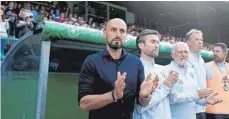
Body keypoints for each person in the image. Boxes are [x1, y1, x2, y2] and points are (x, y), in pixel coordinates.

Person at [78, 18, 158, 119]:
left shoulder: (136, 63)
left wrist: (144, 96)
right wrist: (113, 95)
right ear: (105, 33)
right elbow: (84, 104)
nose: (118, 34)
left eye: (122, 31)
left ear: (125, 35)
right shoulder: (92, 61)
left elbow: (142, 103)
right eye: (113, 30)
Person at [167, 42, 222, 119]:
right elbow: (172, 98)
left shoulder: (192, 71)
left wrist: (205, 100)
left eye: (186, 52)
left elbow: (196, 95)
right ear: (173, 55)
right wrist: (196, 95)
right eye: (180, 52)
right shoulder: (167, 71)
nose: (183, 54)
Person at [133, 29, 178, 119]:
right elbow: (140, 108)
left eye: (158, 42)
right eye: (153, 42)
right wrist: (165, 87)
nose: (157, 45)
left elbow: (173, 100)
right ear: (141, 45)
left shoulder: (164, 69)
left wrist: (173, 85)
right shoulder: (135, 70)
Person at [185, 29, 207, 119]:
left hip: (202, 107)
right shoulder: (185, 59)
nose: (200, 42)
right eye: (197, 40)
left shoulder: (201, 60)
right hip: (189, 109)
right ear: (188, 42)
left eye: (201, 40)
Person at [205, 43, 229, 119]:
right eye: (214, 51)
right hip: (213, 111)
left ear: (225, 54)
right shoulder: (206, 66)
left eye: (217, 51)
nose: (214, 53)